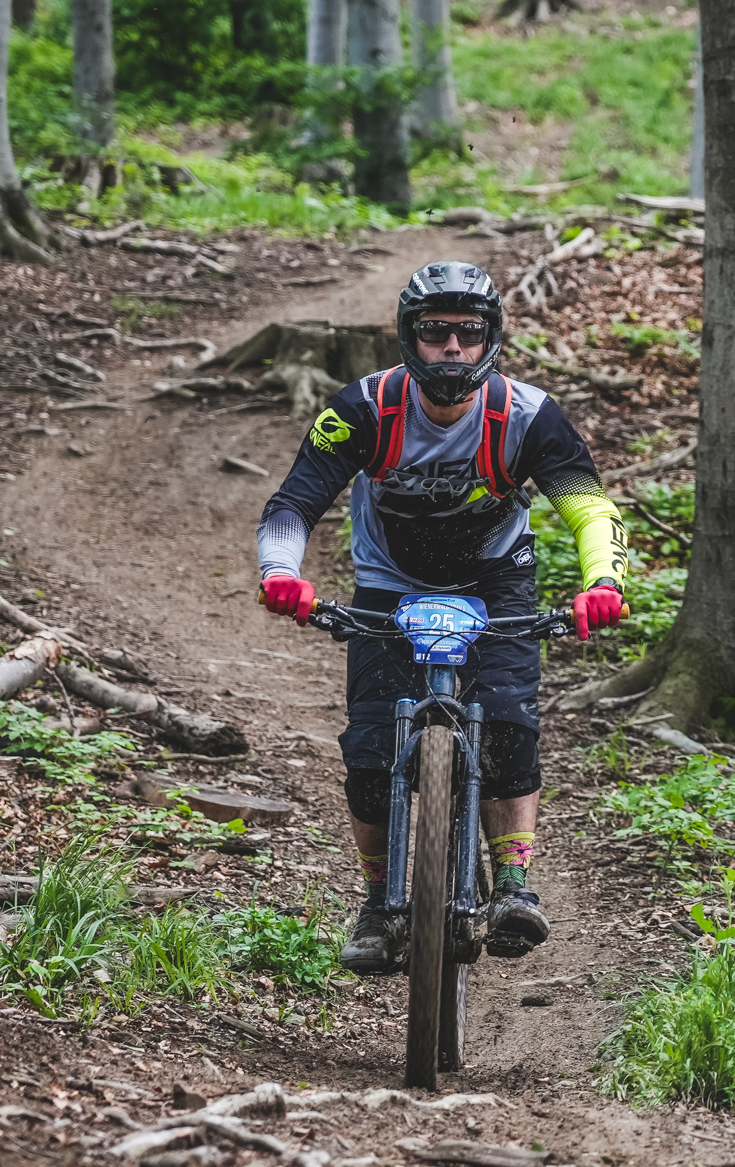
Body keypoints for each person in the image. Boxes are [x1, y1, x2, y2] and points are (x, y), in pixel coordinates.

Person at [254, 261, 628, 972]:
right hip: (389, 585)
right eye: (435, 332)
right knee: (370, 753)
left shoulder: (528, 415)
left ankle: (513, 884)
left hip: (497, 581)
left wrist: (602, 583)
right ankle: (376, 905)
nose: (452, 347)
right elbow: (294, 503)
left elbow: (590, 507)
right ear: (409, 337)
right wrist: (280, 573)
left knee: (509, 725)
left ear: (491, 338)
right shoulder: (364, 409)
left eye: (467, 331)